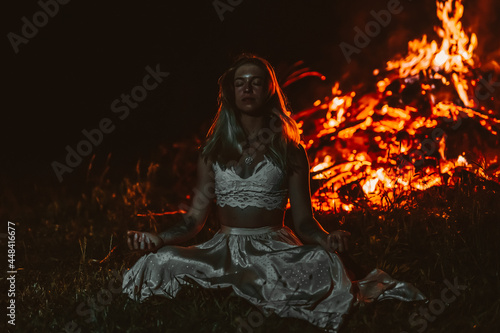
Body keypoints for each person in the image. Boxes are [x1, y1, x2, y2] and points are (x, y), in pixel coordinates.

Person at [122, 54, 425, 332]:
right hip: (223, 249)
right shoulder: (212, 152)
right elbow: (193, 222)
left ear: (270, 90)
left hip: (273, 249)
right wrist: (158, 239)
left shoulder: (291, 152)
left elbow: (305, 223)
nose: (247, 89)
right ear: (231, 92)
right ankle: (233, 279)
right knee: (159, 261)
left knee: (323, 262)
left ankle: (244, 283)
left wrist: (327, 239)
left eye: (256, 82)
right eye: (240, 83)